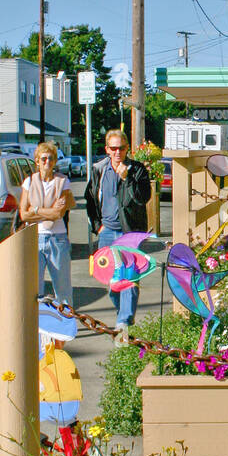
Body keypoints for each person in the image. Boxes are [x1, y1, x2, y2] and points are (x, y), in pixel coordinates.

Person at [85, 129, 151, 335]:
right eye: (113, 148)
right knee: (112, 282)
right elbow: (90, 200)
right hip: (107, 232)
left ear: (127, 149)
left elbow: (142, 198)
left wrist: (127, 178)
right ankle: (122, 312)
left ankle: (123, 321)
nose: (117, 152)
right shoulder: (99, 170)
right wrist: (98, 226)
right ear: (107, 149)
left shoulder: (137, 170)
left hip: (129, 233)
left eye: (121, 148)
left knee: (129, 278)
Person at [19, 141, 75, 308]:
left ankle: (66, 330)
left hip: (57, 239)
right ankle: (38, 329)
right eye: (43, 159)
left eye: (51, 158)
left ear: (55, 161)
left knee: (63, 289)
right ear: (37, 161)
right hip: (34, 237)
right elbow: (24, 214)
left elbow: (59, 213)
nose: (47, 162)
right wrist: (46, 211)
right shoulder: (29, 182)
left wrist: (35, 210)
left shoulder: (63, 181)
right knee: (35, 289)